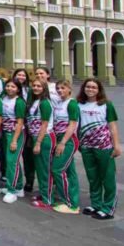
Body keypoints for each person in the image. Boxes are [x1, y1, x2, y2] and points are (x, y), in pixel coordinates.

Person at [77, 78, 121, 220]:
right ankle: (96, 204)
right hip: (86, 146)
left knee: (107, 177)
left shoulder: (106, 105)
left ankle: (108, 208)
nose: (90, 89)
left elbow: (112, 126)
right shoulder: (79, 104)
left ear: (99, 90)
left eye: (94, 87)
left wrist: (116, 145)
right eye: (88, 87)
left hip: (103, 146)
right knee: (93, 177)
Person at [51, 80, 81, 214]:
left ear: (69, 89)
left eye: (63, 88)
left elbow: (72, 124)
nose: (60, 91)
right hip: (59, 137)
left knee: (57, 169)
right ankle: (73, 200)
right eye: (58, 88)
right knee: (70, 172)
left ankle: (69, 202)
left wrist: (62, 142)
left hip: (67, 140)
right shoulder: (59, 103)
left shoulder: (72, 104)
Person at [26, 79, 55, 209]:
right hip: (35, 137)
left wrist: (38, 142)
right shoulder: (35, 102)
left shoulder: (44, 103)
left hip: (44, 138)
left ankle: (47, 199)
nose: (36, 88)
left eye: (39, 86)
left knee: (44, 169)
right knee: (39, 168)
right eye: (34, 86)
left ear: (44, 88)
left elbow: (45, 124)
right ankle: (44, 193)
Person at [1, 80, 27, 204]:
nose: (10, 88)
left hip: (15, 134)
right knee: (11, 161)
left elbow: (20, 122)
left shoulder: (19, 102)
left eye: (13, 86)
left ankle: (12, 190)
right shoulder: (4, 98)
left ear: (18, 89)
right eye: (8, 86)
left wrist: (15, 140)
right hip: (6, 132)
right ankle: (19, 187)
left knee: (12, 162)